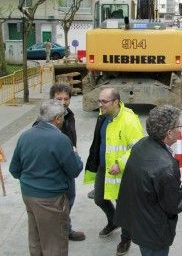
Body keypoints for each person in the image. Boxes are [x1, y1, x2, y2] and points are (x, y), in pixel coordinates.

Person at [114, 105, 182, 256]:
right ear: (169, 133)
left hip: (138, 223)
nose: (180, 130)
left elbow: (148, 180)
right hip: (154, 233)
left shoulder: (141, 145)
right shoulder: (166, 166)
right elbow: (175, 205)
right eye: (178, 126)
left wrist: (174, 177)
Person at [9, 100, 83, 256]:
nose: (63, 119)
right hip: (51, 200)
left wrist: (31, 181)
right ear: (57, 119)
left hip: (28, 196)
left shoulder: (25, 135)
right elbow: (75, 170)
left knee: (36, 238)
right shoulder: (61, 139)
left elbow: (14, 170)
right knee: (55, 243)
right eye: (63, 116)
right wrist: (75, 153)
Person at [84, 87, 144, 256]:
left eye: (104, 101)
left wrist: (120, 163)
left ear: (116, 102)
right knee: (99, 199)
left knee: (124, 206)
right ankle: (113, 221)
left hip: (122, 171)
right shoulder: (104, 116)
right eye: (99, 101)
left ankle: (126, 238)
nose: (100, 105)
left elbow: (138, 147)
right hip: (105, 168)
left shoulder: (129, 120)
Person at [33, 83, 85, 241]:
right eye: (59, 98)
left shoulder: (69, 114)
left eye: (66, 98)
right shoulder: (41, 123)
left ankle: (65, 227)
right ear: (52, 99)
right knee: (56, 203)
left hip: (67, 164)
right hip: (53, 170)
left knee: (70, 198)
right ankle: (56, 232)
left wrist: (73, 151)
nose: (63, 102)